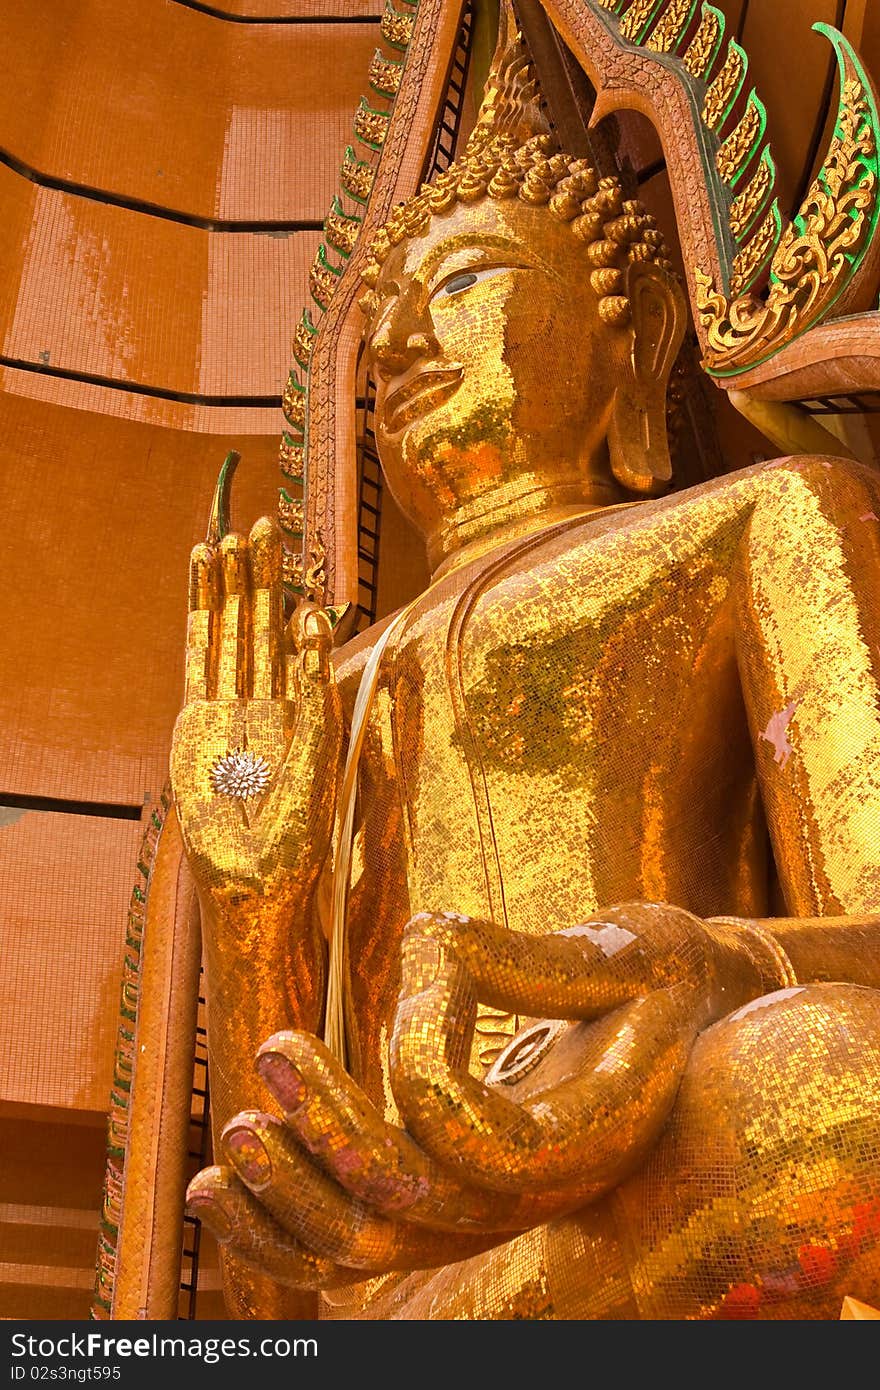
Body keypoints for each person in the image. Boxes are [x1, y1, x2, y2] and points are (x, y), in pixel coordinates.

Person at [171, 113, 880, 1319]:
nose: (396, 342)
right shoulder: (307, 694)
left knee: (826, 1081)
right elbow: (262, 1255)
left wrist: (696, 960)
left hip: (664, 1155)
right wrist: (249, 894)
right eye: (378, 322)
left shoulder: (758, 520)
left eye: (462, 284)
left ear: (634, 334)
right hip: (413, 1269)